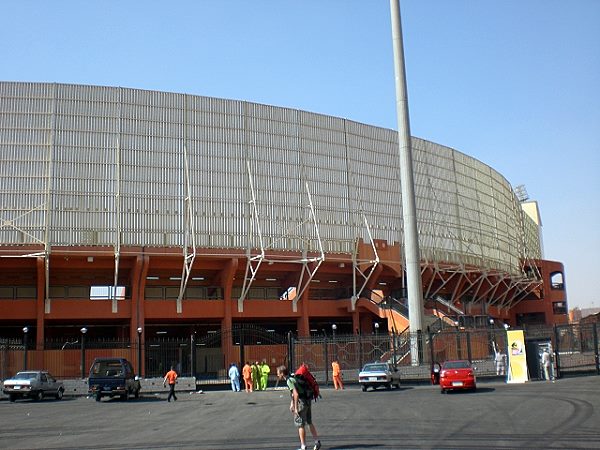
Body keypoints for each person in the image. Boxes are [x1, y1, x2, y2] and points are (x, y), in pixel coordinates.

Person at [277, 365, 321, 450]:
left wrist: (296, 408)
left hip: (301, 403)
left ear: (282, 373)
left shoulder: (289, 381)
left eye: (278, 373)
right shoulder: (293, 376)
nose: (277, 375)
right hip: (307, 400)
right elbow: (294, 393)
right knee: (309, 422)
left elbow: (296, 394)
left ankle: (303, 446)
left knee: (300, 425)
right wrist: (291, 403)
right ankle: (317, 441)